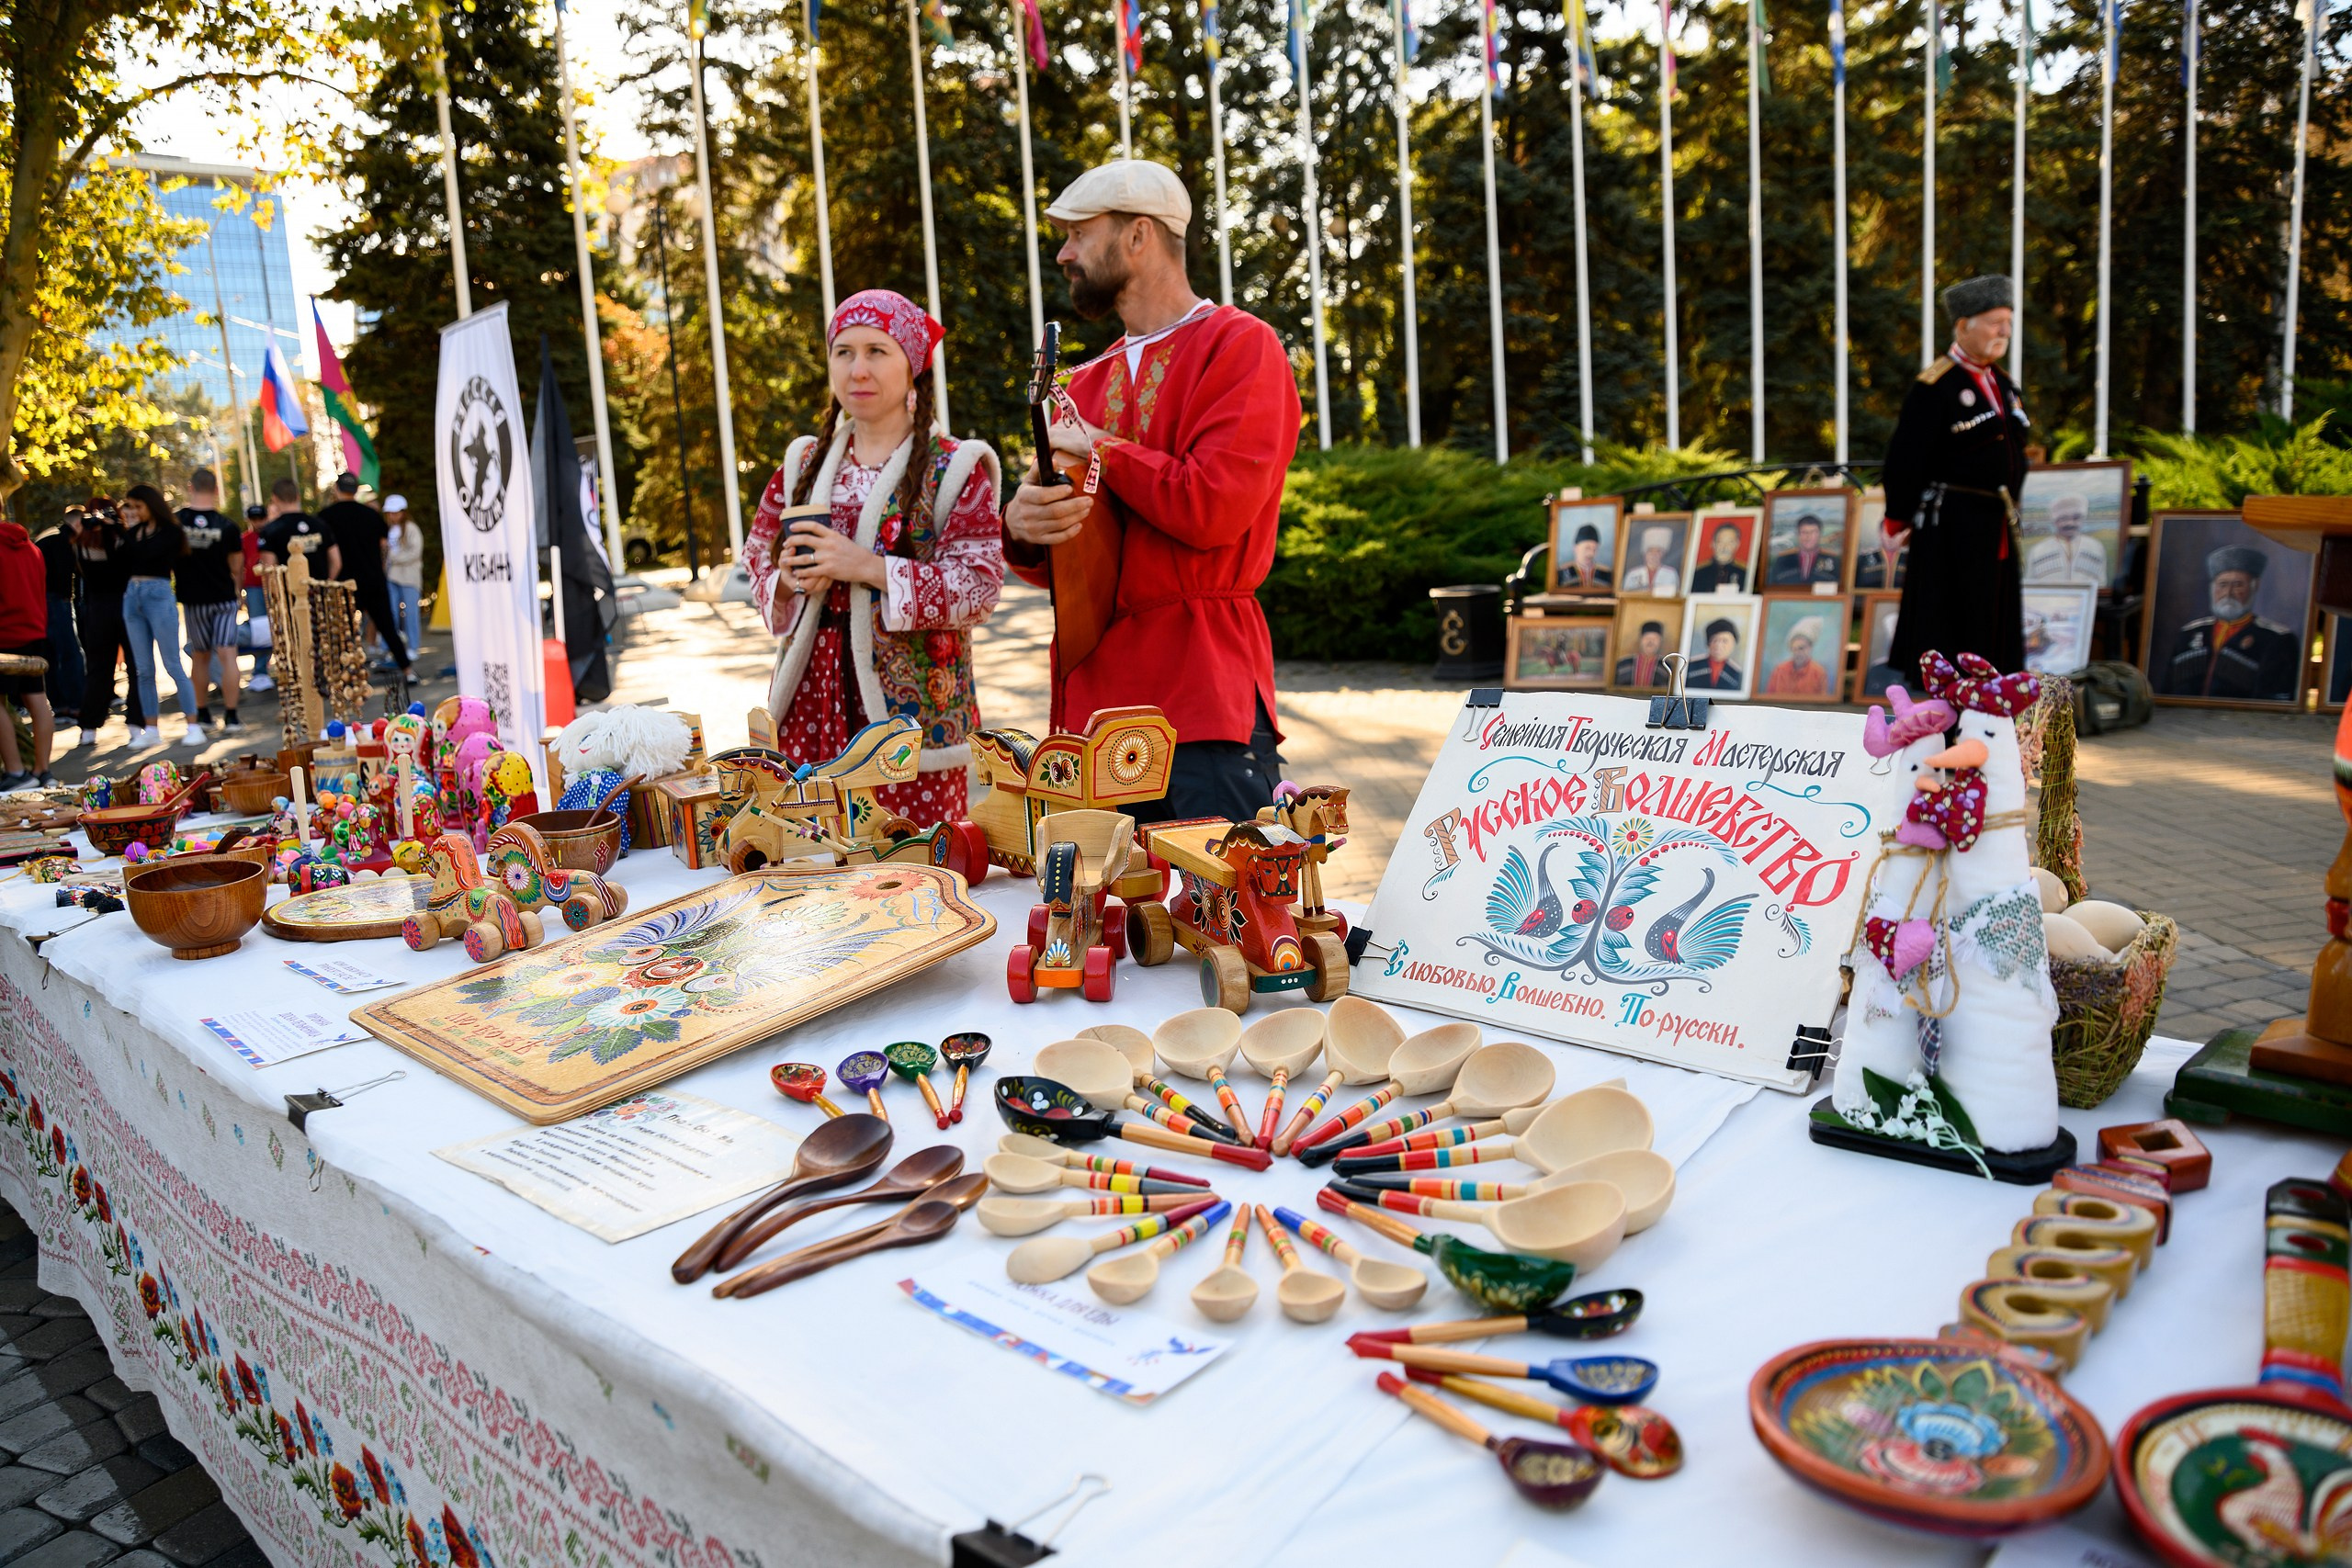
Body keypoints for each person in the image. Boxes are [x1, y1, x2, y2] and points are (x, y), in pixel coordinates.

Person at [1001, 159, 1302, 822]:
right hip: (1095, 709)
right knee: (1111, 923)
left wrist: (1098, 445)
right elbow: (1061, 550)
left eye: (1079, 233)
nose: (1065, 253)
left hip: (1203, 689)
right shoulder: (1082, 381)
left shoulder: (1241, 345)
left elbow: (1212, 507)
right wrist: (1022, 524)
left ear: (1138, 235)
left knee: (1225, 919)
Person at [744, 288, 1005, 827]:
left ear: (912, 366)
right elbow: (757, 554)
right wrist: (788, 580)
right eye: (844, 352)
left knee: (915, 864)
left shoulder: (954, 467)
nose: (857, 369)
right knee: (816, 865)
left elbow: (980, 586)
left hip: (913, 716)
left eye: (876, 351)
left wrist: (865, 566)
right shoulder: (804, 462)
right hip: (811, 703)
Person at [1882, 275, 2032, 674]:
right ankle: (1948, 708)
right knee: (1954, 618)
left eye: (2009, 322)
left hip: (1994, 524)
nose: (2005, 331)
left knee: (1993, 618)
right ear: (1963, 325)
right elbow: (1907, 457)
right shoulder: (1936, 385)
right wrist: (1898, 515)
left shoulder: (2003, 383)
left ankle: (1993, 696)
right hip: (1952, 527)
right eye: (1995, 321)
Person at [2156, 545, 2301, 702]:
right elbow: (2167, 691)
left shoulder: (2276, 640)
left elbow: (2276, 702)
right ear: (2212, 588)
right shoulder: (2189, 634)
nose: (2228, 593)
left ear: (2255, 586)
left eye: (2238, 585)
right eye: (2222, 585)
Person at [118, 483, 201, 747]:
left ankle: (193, 725)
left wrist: (130, 534)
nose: (134, 512)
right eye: (130, 507)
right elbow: (124, 559)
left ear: (150, 504)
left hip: (158, 593)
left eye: (138, 506)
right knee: (142, 669)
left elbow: (151, 556)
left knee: (172, 663)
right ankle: (151, 729)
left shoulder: (171, 531)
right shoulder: (136, 532)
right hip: (132, 595)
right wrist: (127, 530)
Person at [318, 472, 413, 681]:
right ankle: (408, 670)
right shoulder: (371, 515)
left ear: (336, 489)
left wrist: (329, 579)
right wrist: (380, 568)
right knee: (387, 626)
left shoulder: (325, 517)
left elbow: (327, 553)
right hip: (373, 579)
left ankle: (347, 675)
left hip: (344, 583)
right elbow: (384, 546)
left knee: (344, 631)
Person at [175, 468, 243, 737]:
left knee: (200, 657)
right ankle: (232, 716)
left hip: (194, 601)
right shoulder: (227, 525)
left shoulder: (177, 522)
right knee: (228, 655)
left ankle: (202, 713)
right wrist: (236, 590)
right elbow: (236, 565)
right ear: (216, 489)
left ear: (191, 487)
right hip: (223, 597)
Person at [71, 498, 140, 747]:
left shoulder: (83, 543)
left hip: (99, 611)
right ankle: (134, 725)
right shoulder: (116, 539)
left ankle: (88, 728)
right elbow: (127, 563)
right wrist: (115, 528)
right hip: (124, 607)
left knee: (99, 670)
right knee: (134, 666)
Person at [0, 512, 54, 787]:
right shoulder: (31, 547)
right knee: (37, 700)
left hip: (5, 633)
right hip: (34, 630)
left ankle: (16, 771)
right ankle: (42, 770)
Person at [35, 508, 81, 714]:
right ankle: (77, 703)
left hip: (39, 600)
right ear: (78, 524)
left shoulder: (48, 534)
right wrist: (67, 597)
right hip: (55, 599)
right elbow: (64, 573)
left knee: (50, 654)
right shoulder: (63, 540)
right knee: (70, 653)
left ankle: (60, 705)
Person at [256, 477, 340, 578]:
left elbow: (269, 570)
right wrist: (327, 585)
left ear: (274, 498)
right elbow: (336, 562)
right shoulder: (320, 524)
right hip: (320, 591)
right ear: (298, 497)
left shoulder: (270, 531)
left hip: (290, 592)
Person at [2024, 493, 2109, 586]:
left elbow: (2101, 583)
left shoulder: (2096, 547)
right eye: (2064, 519)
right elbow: (2030, 585)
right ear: (2055, 521)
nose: (2070, 523)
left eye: (2076, 518)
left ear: (2082, 519)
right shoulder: (2038, 550)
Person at [383, 493, 425, 657]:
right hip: (391, 576)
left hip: (410, 577)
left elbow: (415, 552)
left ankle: (413, 646)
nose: (393, 516)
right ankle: (390, 647)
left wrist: (394, 558)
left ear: (403, 512)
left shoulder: (412, 529)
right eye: (390, 512)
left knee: (411, 613)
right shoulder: (388, 530)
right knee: (390, 612)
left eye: (396, 512)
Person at [239, 502, 275, 694]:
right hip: (254, 588)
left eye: (261, 518)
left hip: (273, 586)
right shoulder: (244, 539)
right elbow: (239, 567)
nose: (258, 523)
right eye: (254, 519)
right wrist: (240, 593)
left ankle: (277, 666)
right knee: (259, 628)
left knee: (276, 626)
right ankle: (261, 670)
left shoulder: (272, 534)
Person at [1763, 615, 1832, 696]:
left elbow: (1822, 702)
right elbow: (1769, 698)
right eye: (1794, 649)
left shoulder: (1819, 672)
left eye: (1801, 648)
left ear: (1810, 648)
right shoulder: (1779, 671)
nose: (1797, 653)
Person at [1769, 513, 1843, 585]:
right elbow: (1772, 586)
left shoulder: (1833, 560)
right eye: (1804, 532)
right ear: (1798, 534)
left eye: (1813, 532)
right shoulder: (1782, 560)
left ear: (1820, 534)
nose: (1808, 536)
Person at [1689, 521, 1749, 593]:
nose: (1725, 547)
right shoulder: (1698, 572)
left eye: (1730, 542)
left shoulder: (1744, 572)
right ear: (1713, 544)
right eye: (1721, 542)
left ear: (1737, 545)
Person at [1621, 525, 1681, 596]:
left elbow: (1675, 595)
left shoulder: (1671, 574)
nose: (1654, 555)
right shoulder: (1632, 574)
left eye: (1658, 551)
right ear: (1645, 554)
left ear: (1663, 554)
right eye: (1650, 551)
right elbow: (1625, 595)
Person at [1688, 617, 1745, 691]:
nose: (1718, 645)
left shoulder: (1737, 673)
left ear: (1733, 644)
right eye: (1715, 640)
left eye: (1724, 641)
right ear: (1708, 643)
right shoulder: (1691, 666)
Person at [1613, 619, 1669, 688]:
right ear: (1641, 639)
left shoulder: (1667, 665)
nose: (1650, 642)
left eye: (1655, 639)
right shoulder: (1623, 664)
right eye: (1647, 638)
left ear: (1660, 641)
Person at [1559, 523, 1611, 590]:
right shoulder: (1562, 572)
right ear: (1576, 548)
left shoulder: (1606, 574)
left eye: (1594, 549)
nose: (1591, 554)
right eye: (1587, 548)